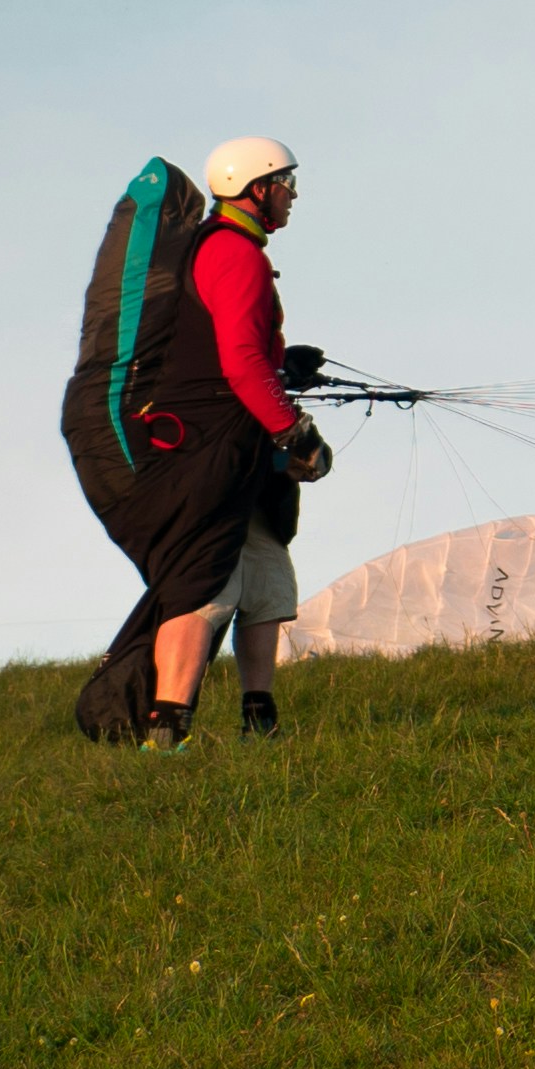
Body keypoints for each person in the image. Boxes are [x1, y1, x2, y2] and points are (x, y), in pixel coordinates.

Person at [68, 136, 331, 749]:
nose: (293, 196)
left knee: (266, 575)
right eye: (287, 184)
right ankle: (168, 732)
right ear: (258, 188)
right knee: (205, 584)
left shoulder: (235, 252)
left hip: (238, 445)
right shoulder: (231, 253)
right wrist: (293, 429)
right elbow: (237, 361)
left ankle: (259, 724)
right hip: (207, 449)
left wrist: (285, 365)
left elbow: (231, 351)